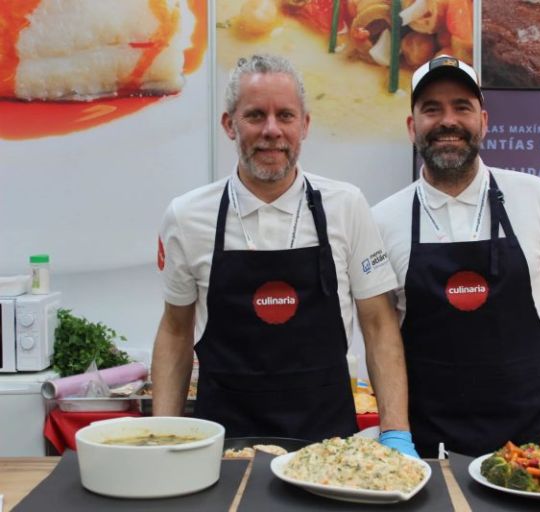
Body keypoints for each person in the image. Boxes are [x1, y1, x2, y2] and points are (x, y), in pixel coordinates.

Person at [151, 54, 416, 456]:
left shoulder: (346, 205)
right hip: (223, 447)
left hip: (329, 449)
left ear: (304, 125)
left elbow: (379, 324)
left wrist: (396, 431)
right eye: (255, 115)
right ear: (229, 124)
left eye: (285, 116)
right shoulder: (187, 217)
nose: (272, 130)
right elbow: (175, 331)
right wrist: (163, 438)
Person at [373, 55, 540, 457]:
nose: (448, 121)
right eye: (432, 109)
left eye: (462, 107)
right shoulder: (382, 220)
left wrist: (524, 375)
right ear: (412, 127)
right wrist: (396, 433)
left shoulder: (536, 197)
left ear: (484, 121)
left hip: (532, 441)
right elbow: (381, 335)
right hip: (430, 442)